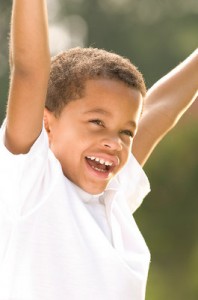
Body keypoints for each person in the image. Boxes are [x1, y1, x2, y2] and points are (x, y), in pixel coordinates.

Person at [0, 0, 197, 299]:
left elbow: (162, 107)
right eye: (96, 122)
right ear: (47, 123)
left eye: (126, 132)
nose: (114, 142)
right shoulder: (31, 181)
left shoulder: (113, 196)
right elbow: (29, 71)